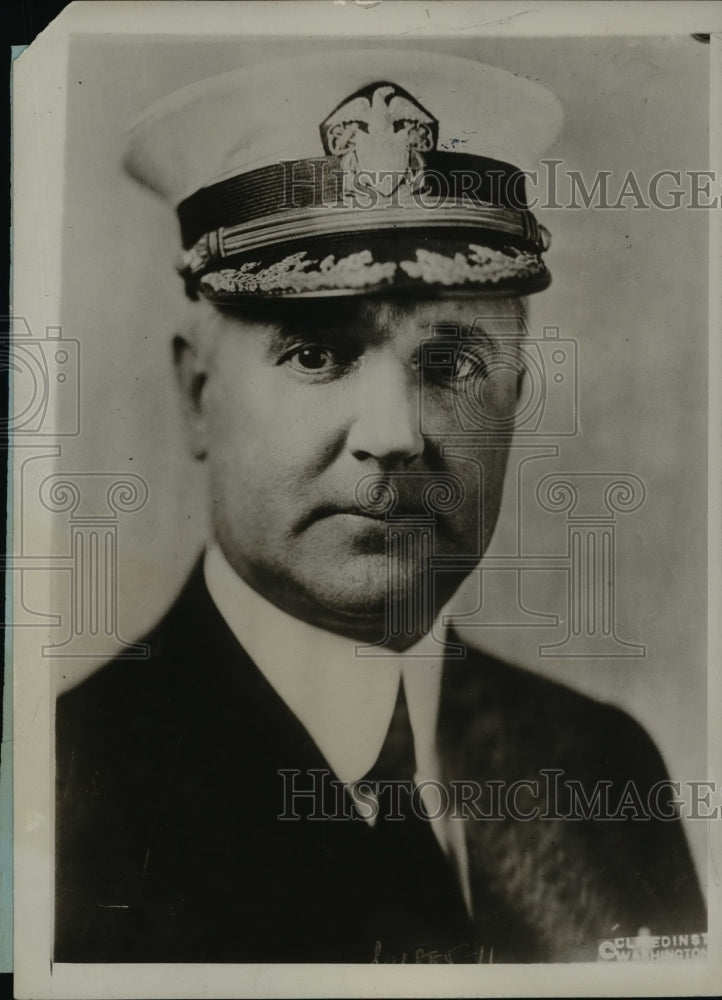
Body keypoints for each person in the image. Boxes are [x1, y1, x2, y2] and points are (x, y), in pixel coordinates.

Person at [55, 49, 705, 964]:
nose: (395, 434)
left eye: (451, 364)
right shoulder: (66, 797)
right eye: (318, 353)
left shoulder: (599, 765)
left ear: (518, 393)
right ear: (198, 392)